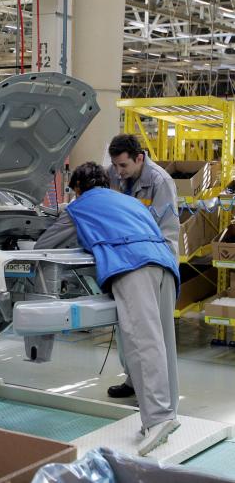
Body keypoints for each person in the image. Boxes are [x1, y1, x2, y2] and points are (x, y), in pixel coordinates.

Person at [35, 162, 180, 456]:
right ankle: (167, 412)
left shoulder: (79, 207)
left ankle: (158, 419)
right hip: (164, 264)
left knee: (142, 342)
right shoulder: (130, 201)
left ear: (77, 189)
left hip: (132, 267)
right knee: (162, 341)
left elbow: (44, 244)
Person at [106, 134, 179, 400]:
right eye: (115, 166)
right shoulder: (114, 175)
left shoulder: (160, 182)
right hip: (126, 263)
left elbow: (164, 231)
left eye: (123, 166)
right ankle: (134, 380)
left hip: (157, 264)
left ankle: (163, 395)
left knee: (156, 332)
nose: (118, 172)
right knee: (128, 327)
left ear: (139, 158)